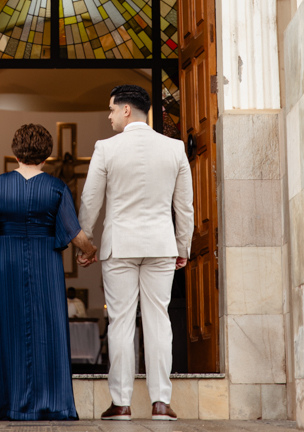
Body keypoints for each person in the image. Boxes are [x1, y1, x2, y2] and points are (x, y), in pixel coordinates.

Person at [78, 85, 194, 421]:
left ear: (126, 109)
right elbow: (184, 206)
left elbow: (90, 200)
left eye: (112, 109)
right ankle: (161, 402)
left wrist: (86, 243)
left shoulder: (106, 148)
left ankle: (121, 403)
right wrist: (182, 246)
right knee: (159, 321)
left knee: (121, 323)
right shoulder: (174, 148)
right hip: (161, 245)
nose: (109, 115)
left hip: (120, 246)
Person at [0, 123, 97, 421]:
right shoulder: (57, 188)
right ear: (46, 155)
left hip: (6, 262)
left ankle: (6, 404)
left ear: (16, 153)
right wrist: (89, 250)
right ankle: (51, 403)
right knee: (48, 331)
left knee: (7, 333)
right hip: (46, 264)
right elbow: (74, 233)